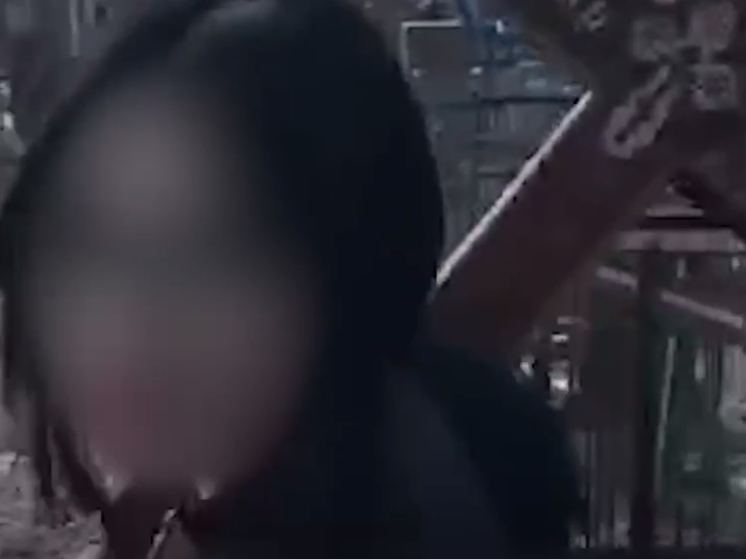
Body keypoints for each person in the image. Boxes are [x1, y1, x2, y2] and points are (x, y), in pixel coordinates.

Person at [0, 0, 580, 557]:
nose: (120, 321)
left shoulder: (361, 512)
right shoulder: (386, 453)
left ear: (344, 263)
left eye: (210, 252)